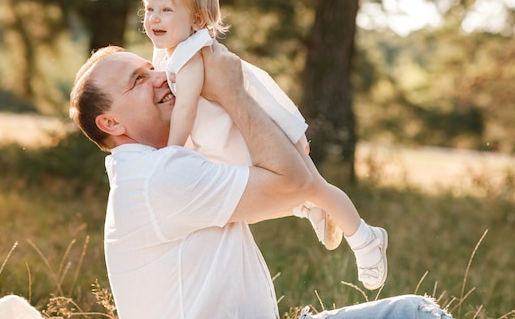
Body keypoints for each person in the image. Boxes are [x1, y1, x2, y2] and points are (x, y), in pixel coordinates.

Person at [67, 42, 454, 319]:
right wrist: (232, 92)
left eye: (150, 67)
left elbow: (289, 193)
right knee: (415, 314)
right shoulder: (160, 177)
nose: (159, 77)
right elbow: (298, 185)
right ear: (111, 123)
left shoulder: (157, 168)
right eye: (137, 79)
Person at [140, 0, 386, 290]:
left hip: (261, 130)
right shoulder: (170, 50)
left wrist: (169, 152)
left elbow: (185, 108)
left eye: (166, 10)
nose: (154, 18)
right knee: (259, 203)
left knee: (315, 184)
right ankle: (307, 206)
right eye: (149, 9)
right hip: (235, 138)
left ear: (198, 21)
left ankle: (366, 238)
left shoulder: (191, 56)